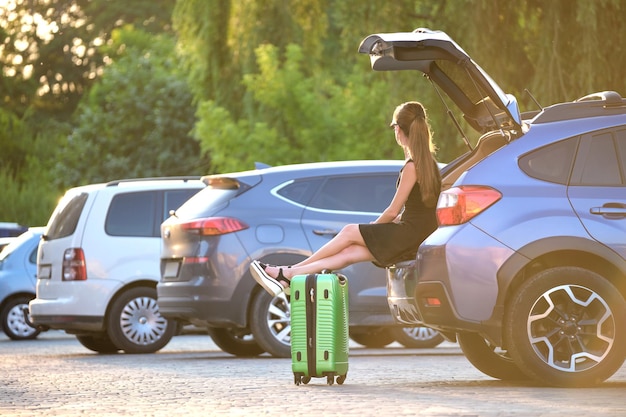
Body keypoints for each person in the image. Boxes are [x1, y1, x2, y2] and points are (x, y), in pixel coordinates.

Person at [250, 101, 441, 296]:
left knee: (350, 231)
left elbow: (393, 211)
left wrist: (373, 227)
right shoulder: (430, 165)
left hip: (408, 236)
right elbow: (418, 211)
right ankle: (291, 275)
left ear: (398, 130)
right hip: (418, 237)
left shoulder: (411, 166)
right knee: (349, 254)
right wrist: (376, 229)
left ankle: (287, 272)